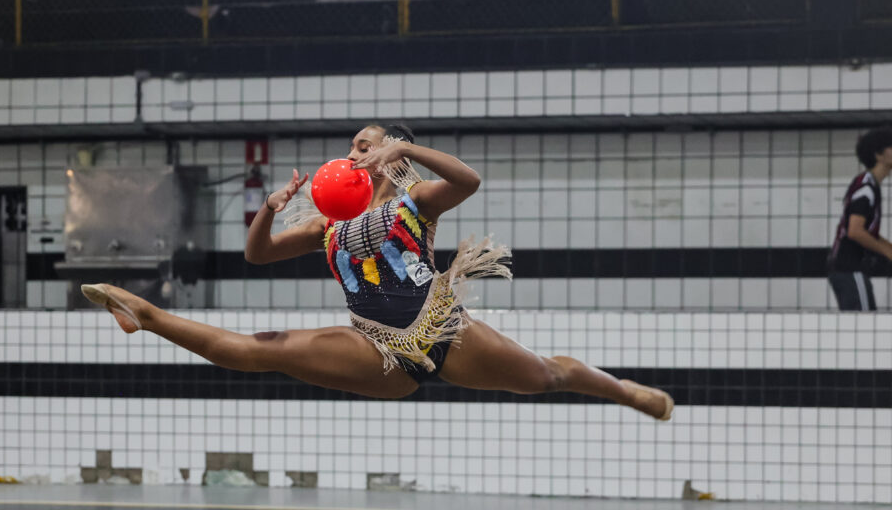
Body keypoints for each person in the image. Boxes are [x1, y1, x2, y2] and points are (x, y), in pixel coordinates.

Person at [81, 124, 673, 420]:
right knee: (267, 348)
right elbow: (257, 256)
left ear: (391, 152)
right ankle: (146, 314)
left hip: (443, 332)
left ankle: (624, 391)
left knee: (546, 377)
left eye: (366, 145)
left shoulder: (417, 201)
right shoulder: (328, 223)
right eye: (352, 146)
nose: (353, 153)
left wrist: (407, 152)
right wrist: (270, 209)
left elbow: (469, 181)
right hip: (376, 347)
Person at [828, 126, 892, 311]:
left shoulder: (868, 184)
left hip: (848, 270)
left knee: (864, 323)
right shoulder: (866, 188)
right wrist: (887, 252)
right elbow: (855, 231)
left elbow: (868, 233)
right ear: (879, 155)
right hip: (849, 269)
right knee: (865, 323)